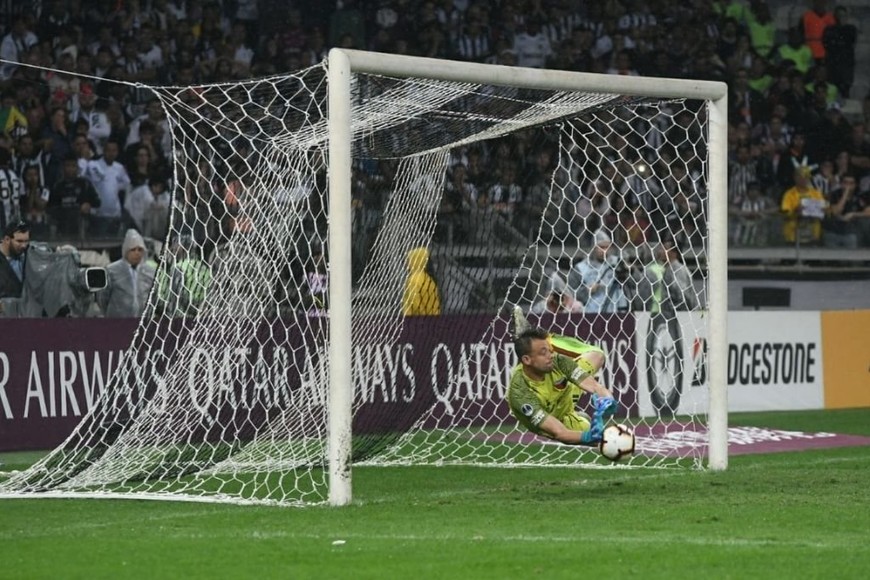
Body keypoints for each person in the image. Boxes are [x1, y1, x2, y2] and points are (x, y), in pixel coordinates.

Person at [506, 307, 617, 446]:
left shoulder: (557, 361)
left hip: (566, 392)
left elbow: (594, 386)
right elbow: (560, 433)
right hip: (556, 419)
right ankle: (578, 418)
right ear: (527, 360)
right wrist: (590, 436)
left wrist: (608, 399)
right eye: (543, 352)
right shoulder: (520, 392)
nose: (550, 355)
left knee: (597, 355)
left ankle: (547, 339)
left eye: (550, 351)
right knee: (601, 440)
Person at [98, 228, 156, 318]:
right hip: (118, 322)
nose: (137, 253)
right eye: (133, 250)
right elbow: (102, 298)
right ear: (126, 251)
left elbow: (155, 297)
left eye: (140, 249)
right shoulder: (112, 271)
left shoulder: (150, 271)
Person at [781, 165, 828, 245]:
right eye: (801, 176)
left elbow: (825, 209)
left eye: (806, 177)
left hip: (813, 236)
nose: (803, 179)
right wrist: (795, 211)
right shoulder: (789, 194)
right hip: (793, 236)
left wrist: (824, 210)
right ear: (795, 178)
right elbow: (784, 213)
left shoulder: (816, 194)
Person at [402, 246, 441, 316]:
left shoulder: (413, 279)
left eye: (408, 260)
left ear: (415, 260)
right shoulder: (430, 278)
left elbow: (415, 302)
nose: (406, 263)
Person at [0, 219, 29, 300]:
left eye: (26, 241)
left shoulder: (28, 254)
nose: (24, 245)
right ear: (7, 239)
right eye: (19, 241)